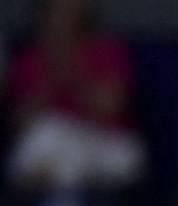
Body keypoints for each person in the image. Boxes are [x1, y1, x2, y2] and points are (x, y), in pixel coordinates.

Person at [5, 0, 145, 195]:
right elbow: (22, 127)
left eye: (70, 13)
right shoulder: (29, 60)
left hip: (105, 144)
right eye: (57, 13)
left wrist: (74, 72)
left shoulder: (108, 51)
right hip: (54, 147)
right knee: (48, 135)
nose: (63, 20)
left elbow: (109, 108)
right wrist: (51, 79)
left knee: (64, 158)